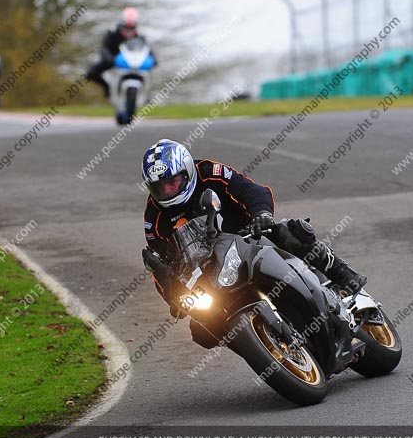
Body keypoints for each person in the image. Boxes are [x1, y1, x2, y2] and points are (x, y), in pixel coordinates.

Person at [140, 139, 367, 349]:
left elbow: (250, 190)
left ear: (187, 171)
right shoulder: (154, 219)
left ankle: (340, 272)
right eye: (159, 187)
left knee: (289, 232)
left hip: (248, 236)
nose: (167, 191)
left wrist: (262, 215)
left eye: (172, 182)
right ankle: (262, 344)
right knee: (202, 330)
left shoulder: (209, 172)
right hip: (211, 268)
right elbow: (163, 264)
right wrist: (172, 297)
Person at [86, 7, 154, 99]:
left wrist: (153, 59)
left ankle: (145, 95)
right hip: (113, 60)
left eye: (132, 27)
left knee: (147, 72)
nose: (129, 30)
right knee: (91, 73)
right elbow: (105, 48)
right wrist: (109, 59)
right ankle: (107, 88)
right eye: (126, 26)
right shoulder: (112, 34)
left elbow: (147, 50)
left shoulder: (140, 36)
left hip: (133, 62)